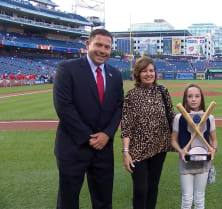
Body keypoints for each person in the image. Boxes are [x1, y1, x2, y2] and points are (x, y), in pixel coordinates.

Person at [53, 29, 124, 209]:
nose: (102, 50)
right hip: (73, 147)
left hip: (103, 149)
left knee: (103, 201)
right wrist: (89, 138)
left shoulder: (115, 74)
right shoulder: (67, 68)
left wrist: (107, 134)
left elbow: (118, 107)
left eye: (107, 47)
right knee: (68, 201)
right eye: (98, 45)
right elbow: (64, 107)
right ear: (87, 45)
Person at [121, 56, 175, 209]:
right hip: (138, 150)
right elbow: (126, 125)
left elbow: (171, 116)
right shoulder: (131, 96)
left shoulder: (162, 91)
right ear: (138, 74)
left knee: (153, 187)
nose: (148, 74)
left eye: (151, 71)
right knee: (140, 189)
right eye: (144, 71)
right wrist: (125, 151)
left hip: (160, 146)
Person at [170, 84, 218, 209]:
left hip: (203, 163)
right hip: (186, 162)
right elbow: (173, 141)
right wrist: (181, 151)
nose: (193, 99)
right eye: (190, 96)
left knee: (199, 198)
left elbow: (214, 140)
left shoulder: (209, 117)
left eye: (197, 96)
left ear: (201, 98)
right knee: (186, 198)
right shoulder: (179, 118)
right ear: (185, 99)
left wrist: (213, 150)